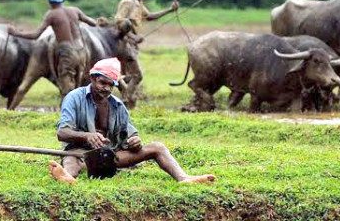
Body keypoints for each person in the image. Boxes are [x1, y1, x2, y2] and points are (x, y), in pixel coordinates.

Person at [49, 57, 216, 184]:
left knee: (157, 147)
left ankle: (183, 178)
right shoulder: (74, 98)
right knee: (72, 160)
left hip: (112, 155)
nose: (106, 88)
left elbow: (130, 136)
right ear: (93, 78)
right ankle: (68, 178)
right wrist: (86, 136)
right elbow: (62, 132)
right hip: (81, 153)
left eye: (110, 85)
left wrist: (134, 142)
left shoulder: (117, 106)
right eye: (102, 83)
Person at [9, 0, 97, 95]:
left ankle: (69, 110)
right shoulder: (74, 10)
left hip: (68, 53)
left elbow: (36, 35)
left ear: (49, 0)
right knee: (78, 84)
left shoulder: (51, 14)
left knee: (67, 88)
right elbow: (93, 23)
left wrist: (15, 33)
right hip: (82, 52)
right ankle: (78, 109)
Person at [113, 0, 179, 106]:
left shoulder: (138, 2)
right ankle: (126, 100)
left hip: (131, 44)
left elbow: (149, 16)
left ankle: (127, 97)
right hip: (124, 43)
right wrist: (133, 37)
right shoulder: (128, 2)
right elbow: (118, 22)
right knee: (137, 75)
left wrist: (170, 10)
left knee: (128, 76)